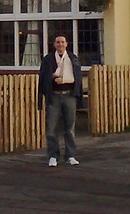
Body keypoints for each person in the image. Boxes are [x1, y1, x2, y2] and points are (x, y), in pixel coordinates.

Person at [37, 35, 83, 167]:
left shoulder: (73, 58)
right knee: (51, 128)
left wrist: (76, 95)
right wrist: (52, 78)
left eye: (63, 42)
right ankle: (53, 156)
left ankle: (70, 155)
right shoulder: (48, 59)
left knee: (69, 128)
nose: (60, 44)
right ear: (54, 45)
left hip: (69, 96)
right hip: (54, 96)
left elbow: (77, 77)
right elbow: (43, 77)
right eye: (58, 42)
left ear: (67, 44)